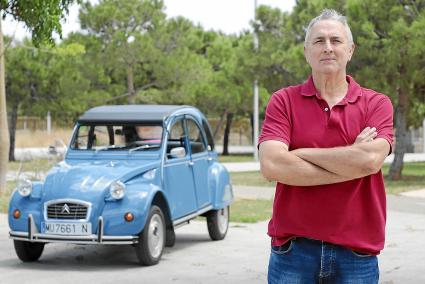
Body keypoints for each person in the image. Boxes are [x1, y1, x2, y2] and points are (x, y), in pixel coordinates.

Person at [258, 9, 393, 284]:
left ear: (351, 50)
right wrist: (351, 160)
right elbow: (272, 165)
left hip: (356, 254)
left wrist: (300, 154)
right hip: (293, 251)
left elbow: (369, 161)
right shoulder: (283, 101)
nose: (328, 48)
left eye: (336, 40)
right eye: (319, 41)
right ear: (307, 51)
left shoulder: (377, 104)